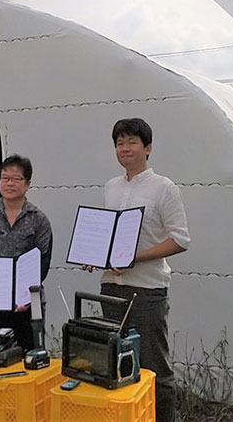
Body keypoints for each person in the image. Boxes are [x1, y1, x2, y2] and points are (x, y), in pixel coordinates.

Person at [86, 118, 189, 422]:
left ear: (148, 148)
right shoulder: (111, 187)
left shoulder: (164, 188)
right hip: (111, 287)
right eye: (119, 143)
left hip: (147, 289)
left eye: (132, 142)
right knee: (116, 362)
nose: (125, 148)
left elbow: (181, 239)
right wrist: (97, 255)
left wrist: (136, 257)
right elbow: (109, 235)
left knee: (154, 367)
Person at [0, 154, 53, 351]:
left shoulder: (38, 219)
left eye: (16, 179)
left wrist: (30, 293)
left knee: (30, 353)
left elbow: (43, 260)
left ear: (28, 184)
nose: (9, 183)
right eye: (5, 178)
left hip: (27, 303)